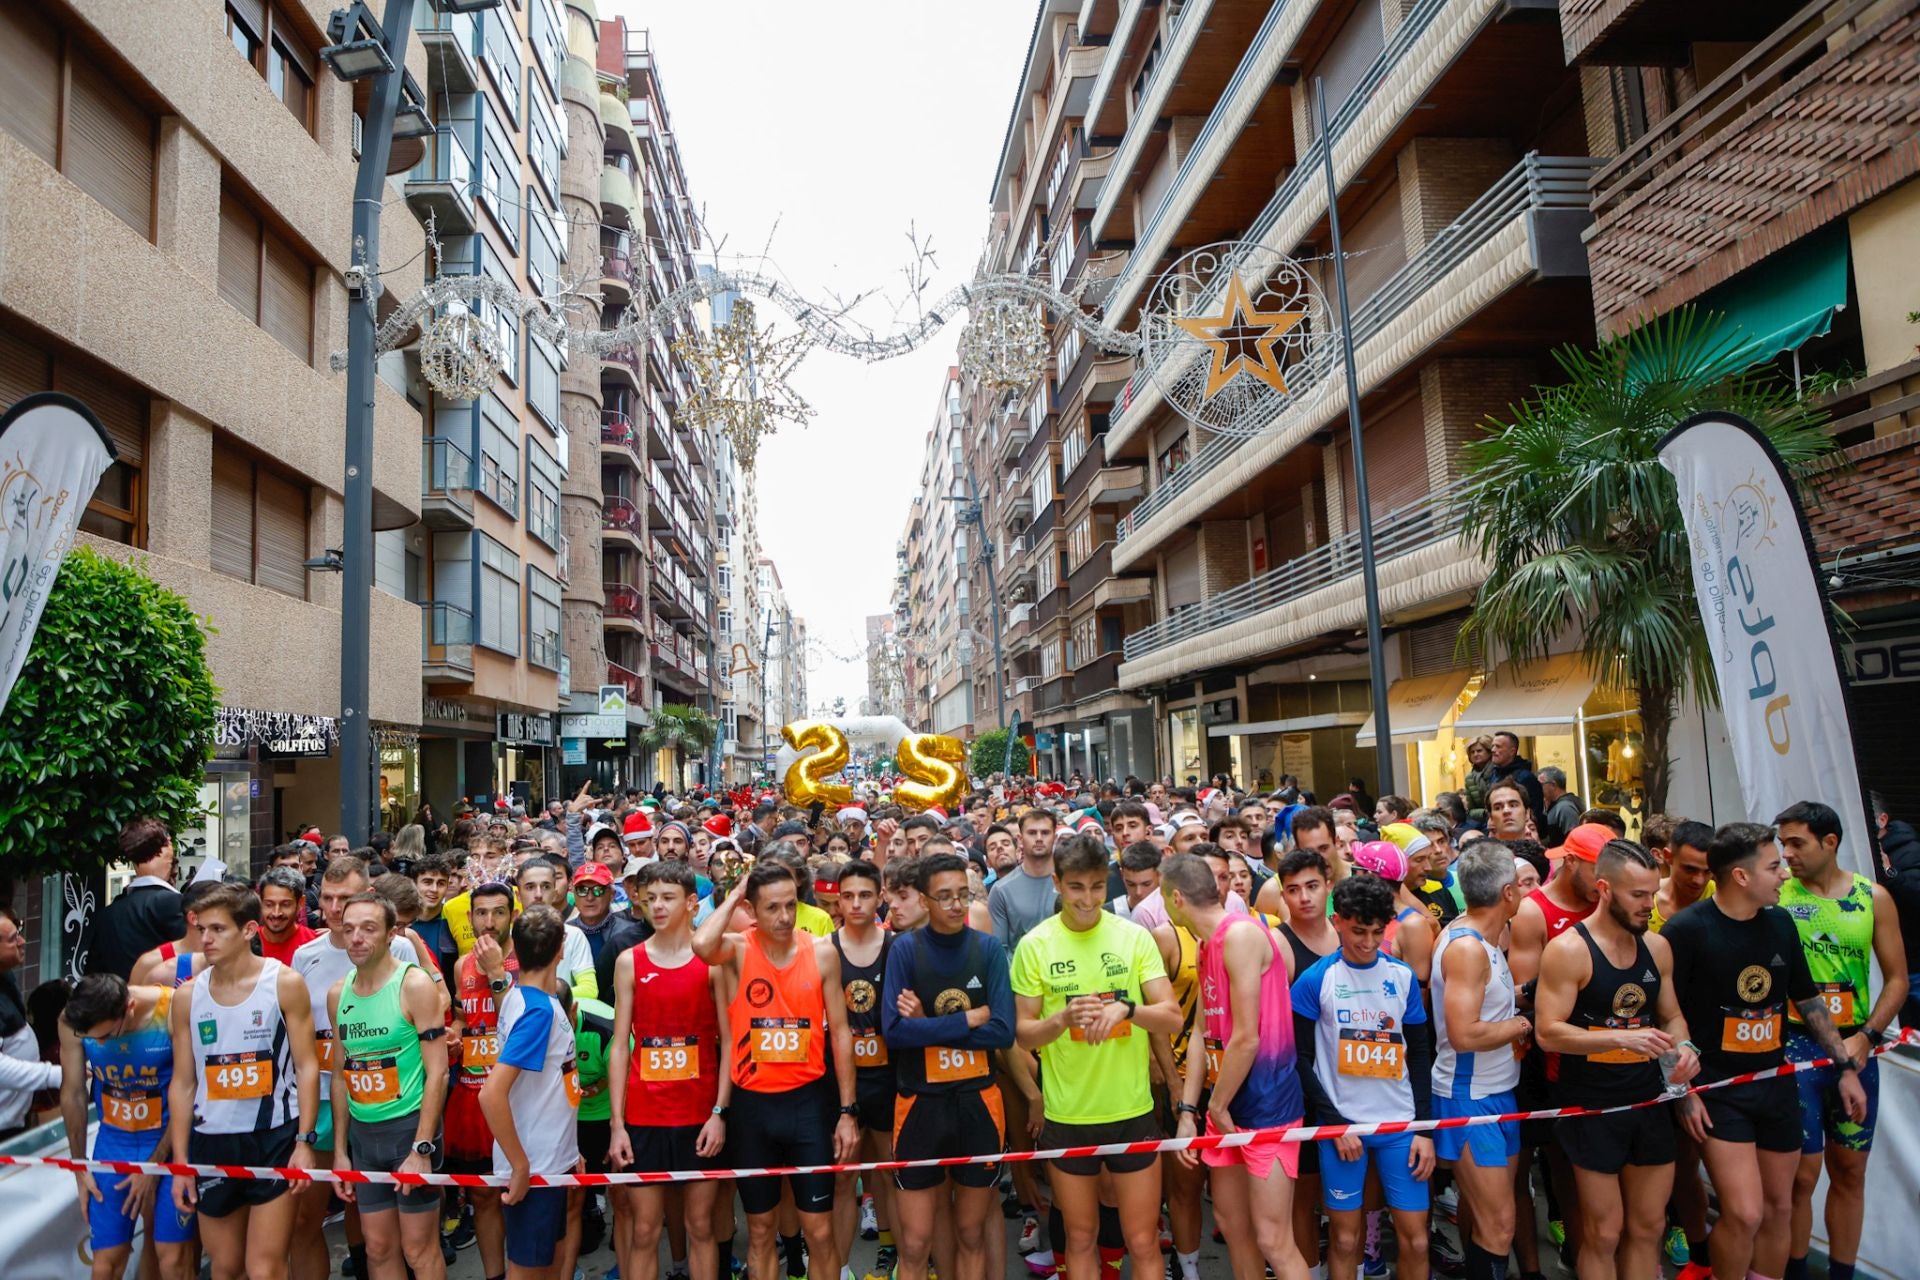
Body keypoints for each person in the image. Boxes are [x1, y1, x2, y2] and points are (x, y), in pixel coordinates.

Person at [1666, 822, 1865, 1280]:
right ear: (1741, 876)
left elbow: (1807, 999)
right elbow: (1665, 1017)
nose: (1784, 874)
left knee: (1779, 1208)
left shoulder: (1780, 923)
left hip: (1775, 1084)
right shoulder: (1686, 931)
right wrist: (1683, 1094)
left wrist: (1845, 1068)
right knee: (1744, 1212)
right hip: (1717, 1091)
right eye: (1774, 867)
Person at [1012, 834, 1182, 1280]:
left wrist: (1128, 1009)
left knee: (1142, 1240)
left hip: (1132, 1111)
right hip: (1068, 1116)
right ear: (1057, 883)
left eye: (1097, 887)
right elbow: (1023, 1034)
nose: (1088, 900)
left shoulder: (1133, 937)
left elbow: (1172, 1017)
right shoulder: (1035, 945)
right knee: (1081, 1237)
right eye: (1076, 888)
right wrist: (1061, 1020)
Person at [1534, 839, 1698, 1280]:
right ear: (1605, 889)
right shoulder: (1569, 950)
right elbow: (1547, 1032)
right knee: (1604, 1233)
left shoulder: (1657, 947)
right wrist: (1623, 1038)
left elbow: (1672, 1016)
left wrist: (1686, 1050)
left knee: (1649, 1227)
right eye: (1638, 895)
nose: (1649, 905)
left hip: (1649, 1101)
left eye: (1652, 893)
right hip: (1592, 1106)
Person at [693, 862, 861, 1280]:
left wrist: (847, 1111)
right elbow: (701, 944)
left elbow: (841, 1034)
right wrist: (736, 892)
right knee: (761, 1229)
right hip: (753, 1109)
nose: (784, 917)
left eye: (790, 905)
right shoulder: (738, 949)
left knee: (818, 1231)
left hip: (808, 1104)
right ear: (752, 909)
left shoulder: (821, 951)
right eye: (771, 908)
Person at [1774, 801, 1907, 1280]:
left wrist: (1868, 1038)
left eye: (1797, 843)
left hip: (1856, 1049)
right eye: (1782, 844)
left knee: (1850, 1171)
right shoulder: (1777, 895)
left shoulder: (1873, 897)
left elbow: (1897, 978)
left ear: (1830, 842)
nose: (1787, 854)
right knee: (1801, 1176)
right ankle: (1794, 1272)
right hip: (1794, 1048)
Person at [165, 882, 320, 1280]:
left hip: (274, 1136)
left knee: (264, 1268)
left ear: (249, 930)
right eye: (202, 929)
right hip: (212, 1140)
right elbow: (183, 1082)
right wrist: (181, 1163)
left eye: (218, 929)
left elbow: (307, 1066)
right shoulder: (187, 997)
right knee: (226, 1267)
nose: (206, 939)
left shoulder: (284, 983)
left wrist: (305, 1141)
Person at [1163, 854, 1308, 1280]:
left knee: (1273, 1240)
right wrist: (1189, 1111)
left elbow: (1247, 1037)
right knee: (1232, 1225)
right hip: (1223, 1105)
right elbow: (1200, 1031)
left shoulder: (1241, 934)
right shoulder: (1206, 943)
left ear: (1176, 898)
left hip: (1267, 1105)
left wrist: (1217, 1105)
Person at [291, 857, 428, 1280]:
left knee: (410, 1244)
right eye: (329, 899)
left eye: (346, 899)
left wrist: (423, 1144)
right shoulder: (308, 959)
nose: (336, 910)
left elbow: (433, 1033)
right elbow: (319, 1050)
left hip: (401, 1111)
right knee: (348, 1228)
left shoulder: (402, 953)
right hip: (333, 1100)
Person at [881, 852, 1016, 1280]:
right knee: (915, 1242)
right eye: (944, 896)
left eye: (963, 895)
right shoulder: (904, 950)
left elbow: (1003, 1032)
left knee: (971, 1233)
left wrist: (926, 1024)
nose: (956, 905)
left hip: (978, 1102)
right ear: (924, 900)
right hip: (920, 1104)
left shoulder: (987, 949)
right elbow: (895, 1033)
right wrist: (966, 1020)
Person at [607, 860, 730, 1280]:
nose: (657, 906)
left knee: (700, 1226)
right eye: (651, 898)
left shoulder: (712, 962)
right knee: (644, 1230)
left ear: (692, 903)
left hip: (699, 1115)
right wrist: (618, 1125)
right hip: (645, 1117)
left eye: (668, 898)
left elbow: (730, 1041)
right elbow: (619, 1046)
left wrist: (719, 1113)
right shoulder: (629, 961)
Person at [328, 892, 450, 1280]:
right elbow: (340, 1074)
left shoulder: (413, 985)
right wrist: (340, 1152)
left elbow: (439, 1072)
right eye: (349, 929)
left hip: (409, 1130)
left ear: (391, 933)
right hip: (364, 1138)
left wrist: (422, 1147)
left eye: (368, 928)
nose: (356, 938)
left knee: (419, 1248)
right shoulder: (338, 993)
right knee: (378, 1248)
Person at [1429, 842, 1530, 1280]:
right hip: (1469, 1098)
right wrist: (1523, 1025)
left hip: (1497, 1092)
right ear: (1508, 893)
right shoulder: (1467, 948)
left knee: (1486, 1216)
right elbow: (1465, 1033)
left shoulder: (1482, 937)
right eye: (1521, 884)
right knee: (1499, 1225)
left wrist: (1528, 997)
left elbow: (1488, 1004)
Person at [59, 973, 194, 1280]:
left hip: (168, 1140)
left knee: (173, 1260)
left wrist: (154, 1164)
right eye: (92, 1039)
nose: (100, 1044)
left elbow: (188, 1088)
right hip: (114, 1143)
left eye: (108, 1035)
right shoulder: (71, 1020)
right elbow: (73, 1093)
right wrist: (79, 1168)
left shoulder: (172, 1008)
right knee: (106, 1261)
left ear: (129, 1008)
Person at [478, 905, 583, 1280]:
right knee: (528, 1271)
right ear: (561, 949)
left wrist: (570, 1150)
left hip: (553, 1159)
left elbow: (554, 1084)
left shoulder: (521, 998)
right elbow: (491, 1094)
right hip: (535, 1168)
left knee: (551, 1261)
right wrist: (520, 1165)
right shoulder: (537, 1012)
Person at [447, 880, 518, 1278]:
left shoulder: (528, 958)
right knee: (483, 1197)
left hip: (518, 1098)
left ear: (513, 916)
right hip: (473, 1096)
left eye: (498, 912)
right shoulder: (462, 965)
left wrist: (496, 972)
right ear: (470, 917)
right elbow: (463, 1017)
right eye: (481, 913)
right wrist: (455, 1035)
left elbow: (522, 1021)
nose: (489, 922)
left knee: (524, 1195)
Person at [828, 862, 896, 1277]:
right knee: (842, 1178)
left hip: (888, 1077)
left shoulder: (897, 946)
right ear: (838, 900)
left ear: (879, 897)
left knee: (890, 1172)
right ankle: (839, 1268)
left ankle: (897, 1255)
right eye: (848, 896)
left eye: (865, 895)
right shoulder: (824, 949)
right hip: (839, 1080)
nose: (856, 904)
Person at [89, 818, 185, 980]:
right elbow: (192, 957)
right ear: (166, 847)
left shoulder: (108, 914)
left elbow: (93, 974)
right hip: (165, 994)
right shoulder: (171, 903)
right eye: (168, 841)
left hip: (117, 994)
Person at [988, 809, 1061, 950]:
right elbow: (1000, 949)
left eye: (1045, 833)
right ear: (1020, 839)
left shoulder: (1071, 881)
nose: (1039, 838)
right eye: (1032, 833)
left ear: (1055, 838)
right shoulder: (1001, 890)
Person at [1651, 820, 1716, 934]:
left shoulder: (1722, 898)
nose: (1699, 880)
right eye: (1690, 869)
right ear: (1668, 857)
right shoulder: (1646, 899)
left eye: (1708, 871)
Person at [257, 867, 319, 964]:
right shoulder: (245, 943)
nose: (276, 913)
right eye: (269, 904)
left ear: (301, 903)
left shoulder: (315, 944)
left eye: (285, 905)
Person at [1485, 733, 1543, 830]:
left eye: (1498, 746)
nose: (1493, 750)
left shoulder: (1526, 778)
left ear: (1512, 751)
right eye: (1493, 746)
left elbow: (1535, 814)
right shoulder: (1494, 775)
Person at [1537, 767, 1584, 850]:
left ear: (1553, 785)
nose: (1537, 788)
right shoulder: (1558, 805)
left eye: (1540, 785)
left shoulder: (1564, 807)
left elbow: (1574, 840)